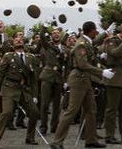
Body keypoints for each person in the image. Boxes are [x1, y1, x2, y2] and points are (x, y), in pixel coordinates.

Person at [50, 21, 112, 149]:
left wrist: (106, 33)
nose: (97, 32)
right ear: (92, 30)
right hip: (78, 79)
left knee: (91, 109)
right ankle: (57, 141)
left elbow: (94, 44)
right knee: (71, 111)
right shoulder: (81, 44)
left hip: (85, 80)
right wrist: (102, 72)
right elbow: (82, 64)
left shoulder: (86, 42)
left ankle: (91, 139)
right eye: (96, 30)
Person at [0, 35, 40, 148]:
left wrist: (35, 95)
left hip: (24, 89)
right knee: (6, 113)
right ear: (13, 45)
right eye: (16, 40)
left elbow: (33, 79)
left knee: (34, 112)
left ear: (24, 43)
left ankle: (30, 138)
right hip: (9, 88)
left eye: (21, 39)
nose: (19, 40)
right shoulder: (8, 56)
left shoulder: (30, 57)